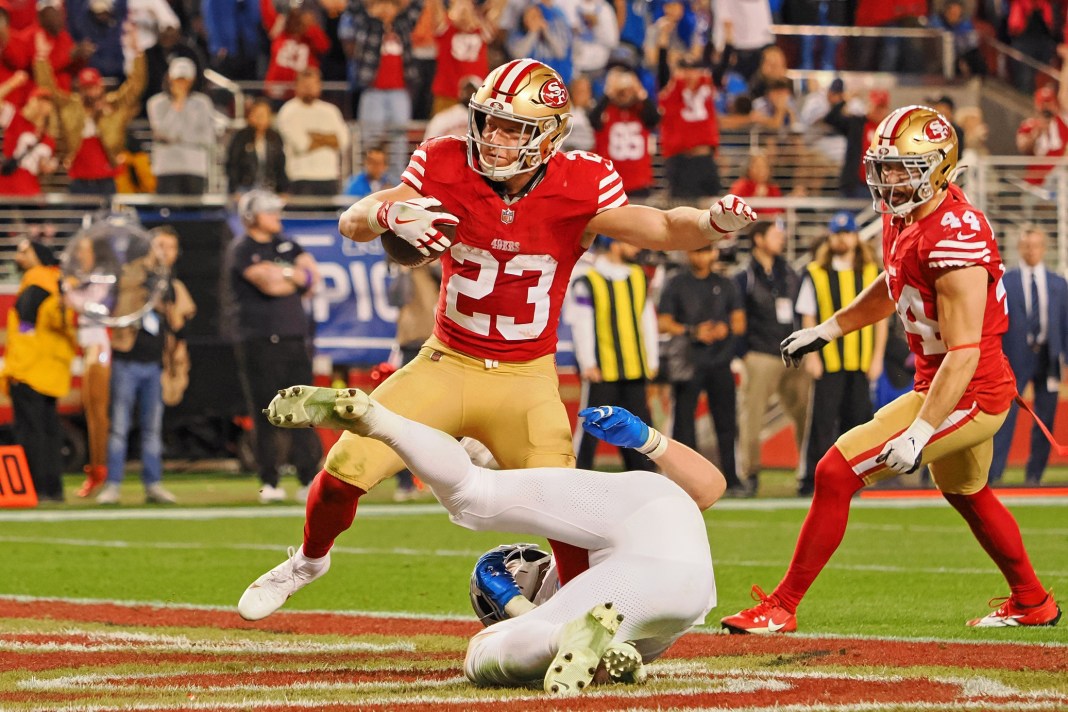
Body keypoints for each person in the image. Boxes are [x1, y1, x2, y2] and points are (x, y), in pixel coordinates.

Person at [235, 58, 756, 622]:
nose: (494, 137)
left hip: (527, 379)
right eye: (488, 121)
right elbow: (352, 221)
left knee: (570, 522)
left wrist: (709, 225)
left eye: (514, 128)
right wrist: (391, 212)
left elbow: (658, 228)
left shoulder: (580, 181)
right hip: (446, 361)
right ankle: (309, 561)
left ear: (549, 134)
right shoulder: (442, 160)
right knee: (344, 469)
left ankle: (578, 623)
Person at [721, 105, 1062, 634]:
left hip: (969, 389)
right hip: (947, 382)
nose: (889, 179)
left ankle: (782, 607)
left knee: (835, 472)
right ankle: (1032, 601)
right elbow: (893, 283)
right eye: (885, 165)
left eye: (903, 168)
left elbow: (964, 351)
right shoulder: (904, 216)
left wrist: (921, 432)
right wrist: (828, 330)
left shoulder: (956, 234)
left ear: (938, 167)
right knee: (968, 495)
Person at [259, 386, 721, 694]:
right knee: (474, 493)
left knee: (485, 650)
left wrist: (519, 609)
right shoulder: (592, 587)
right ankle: (382, 422)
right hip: (670, 551)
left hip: (658, 579)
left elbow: (562, 627)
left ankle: (383, 422)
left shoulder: (578, 589)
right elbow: (708, 490)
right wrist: (648, 440)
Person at [226, 189, 323, 504]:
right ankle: (269, 479)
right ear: (253, 217)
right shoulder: (242, 249)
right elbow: (269, 284)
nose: (277, 217)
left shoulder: (288, 244)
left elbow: (313, 278)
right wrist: (291, 274)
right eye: (270, 212)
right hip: (259, 339)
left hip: (294, 338)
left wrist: (288, 275)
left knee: (303, 409)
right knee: (267, 411)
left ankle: (308, 477)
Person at [96, 226, 194, 505]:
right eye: (160, 245)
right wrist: (146, 286)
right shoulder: (130, 274)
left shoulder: (172, 285)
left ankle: (153, 483)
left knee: (152, 428)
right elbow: (120, 306)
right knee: (119, 427)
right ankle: (113, 484)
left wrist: (166, 298)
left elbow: (179, 324)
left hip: (155, 364)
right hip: (127, 360)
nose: (165, 252)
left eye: (171, 247)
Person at [794, 212, 886, 497]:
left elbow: (882, 318)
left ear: (856, 237)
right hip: (829, 360)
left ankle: (853, 479)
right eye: (838, 234)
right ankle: (812, 478)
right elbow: (808, 315)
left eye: (847, 233)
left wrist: (877, 357)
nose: (843, 239)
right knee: (822, 421)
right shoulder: (816, 272)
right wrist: (812, 356)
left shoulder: (872, 271)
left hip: (860, 360)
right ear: (830, 237)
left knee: (858, 422)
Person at [658, 243, 747, 495]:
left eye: (707, 250)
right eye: (698, 250)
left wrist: (724, 329)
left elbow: (739, 323)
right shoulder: (676, 283)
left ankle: (731, 477)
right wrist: (692, 331)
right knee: (683, 425)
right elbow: (663, 323)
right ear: (688, 252)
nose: (703, 255)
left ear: (715, 252)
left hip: (720, 362)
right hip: (688, 362)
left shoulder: (727, 283)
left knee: (727, 423)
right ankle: (684, 480)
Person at [567, 237, 658, 473]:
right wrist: (588, 362)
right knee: (589, 428)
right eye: (631, 241)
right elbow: (581, 323)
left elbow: (647, 319)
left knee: (641, 429)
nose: (637, 246)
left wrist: (652, 358)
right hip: (603, 369)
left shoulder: (639, 276)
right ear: (615, 244)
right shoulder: (589, 279)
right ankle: (577, 475)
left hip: (635, 367)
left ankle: (646, 478)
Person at [990, 226, 1068, 485]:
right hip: (1014, 357)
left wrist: (1064, 359)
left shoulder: (1058, 283)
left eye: (1036, 245)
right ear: (1019, 247)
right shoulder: (1006, 281)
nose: (1031, 250)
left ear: (1044, 248)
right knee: (1005, 416)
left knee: (1046, 418)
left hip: (1048, 357)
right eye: (1026, 245)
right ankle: (995, 473)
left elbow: (1065, 324)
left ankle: (1035, 476)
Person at [735, 220, 808, 495]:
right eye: (775, 234)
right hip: (761, 354)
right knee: (751, 417)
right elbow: (738, 316)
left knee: (805, 414)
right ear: (758, 239)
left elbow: (801, 309)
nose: (782, 238)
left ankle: (808, 471)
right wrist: (744, 353)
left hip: (792, 354)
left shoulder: (789, 272)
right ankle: (750, 473)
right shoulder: (745, 276)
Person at [1, 239, 75, 503]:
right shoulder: (57, 283)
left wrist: (14, 370)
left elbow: (26, 328)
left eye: (24, 252)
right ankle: (53, 489)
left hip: (29, 370)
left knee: (31, 433)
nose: (18, 256)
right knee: (49, 431)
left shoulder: (36, 282)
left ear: (38, 256)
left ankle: (35, 488)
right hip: (51, 370)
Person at [276, 66, 349, 196]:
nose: (309, 88)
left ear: (319, 85)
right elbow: (303, 144)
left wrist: (314, 136)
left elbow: (342, 142)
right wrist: (329, 138)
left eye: (313, 84)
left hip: (329, 176)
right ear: (296, 86)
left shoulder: (331, 111)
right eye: (305, 84)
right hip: (300, 177)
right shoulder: (288, 111)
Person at [147, 57, 214, 195]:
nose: (181, 84)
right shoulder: (156, 103)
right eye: (178, 79)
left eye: (185, 79)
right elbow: (163, 132)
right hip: (166, 168)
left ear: (192, 80)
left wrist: (176, 139)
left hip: (195, 169)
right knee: (166, 214)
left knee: (195, 214)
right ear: (170, 78)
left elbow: (207, 139)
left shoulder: (203, 103)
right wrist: (177, 105)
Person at [225, 98, 288, 196]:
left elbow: (280, 166)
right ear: (250, 115)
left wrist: (283, 191)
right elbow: (232, 165)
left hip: (269, 188)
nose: (260, 118)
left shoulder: (275, 138)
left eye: (264, 114)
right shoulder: (241, 137)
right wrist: (234, 190)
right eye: (257, 114)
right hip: (244, 188)